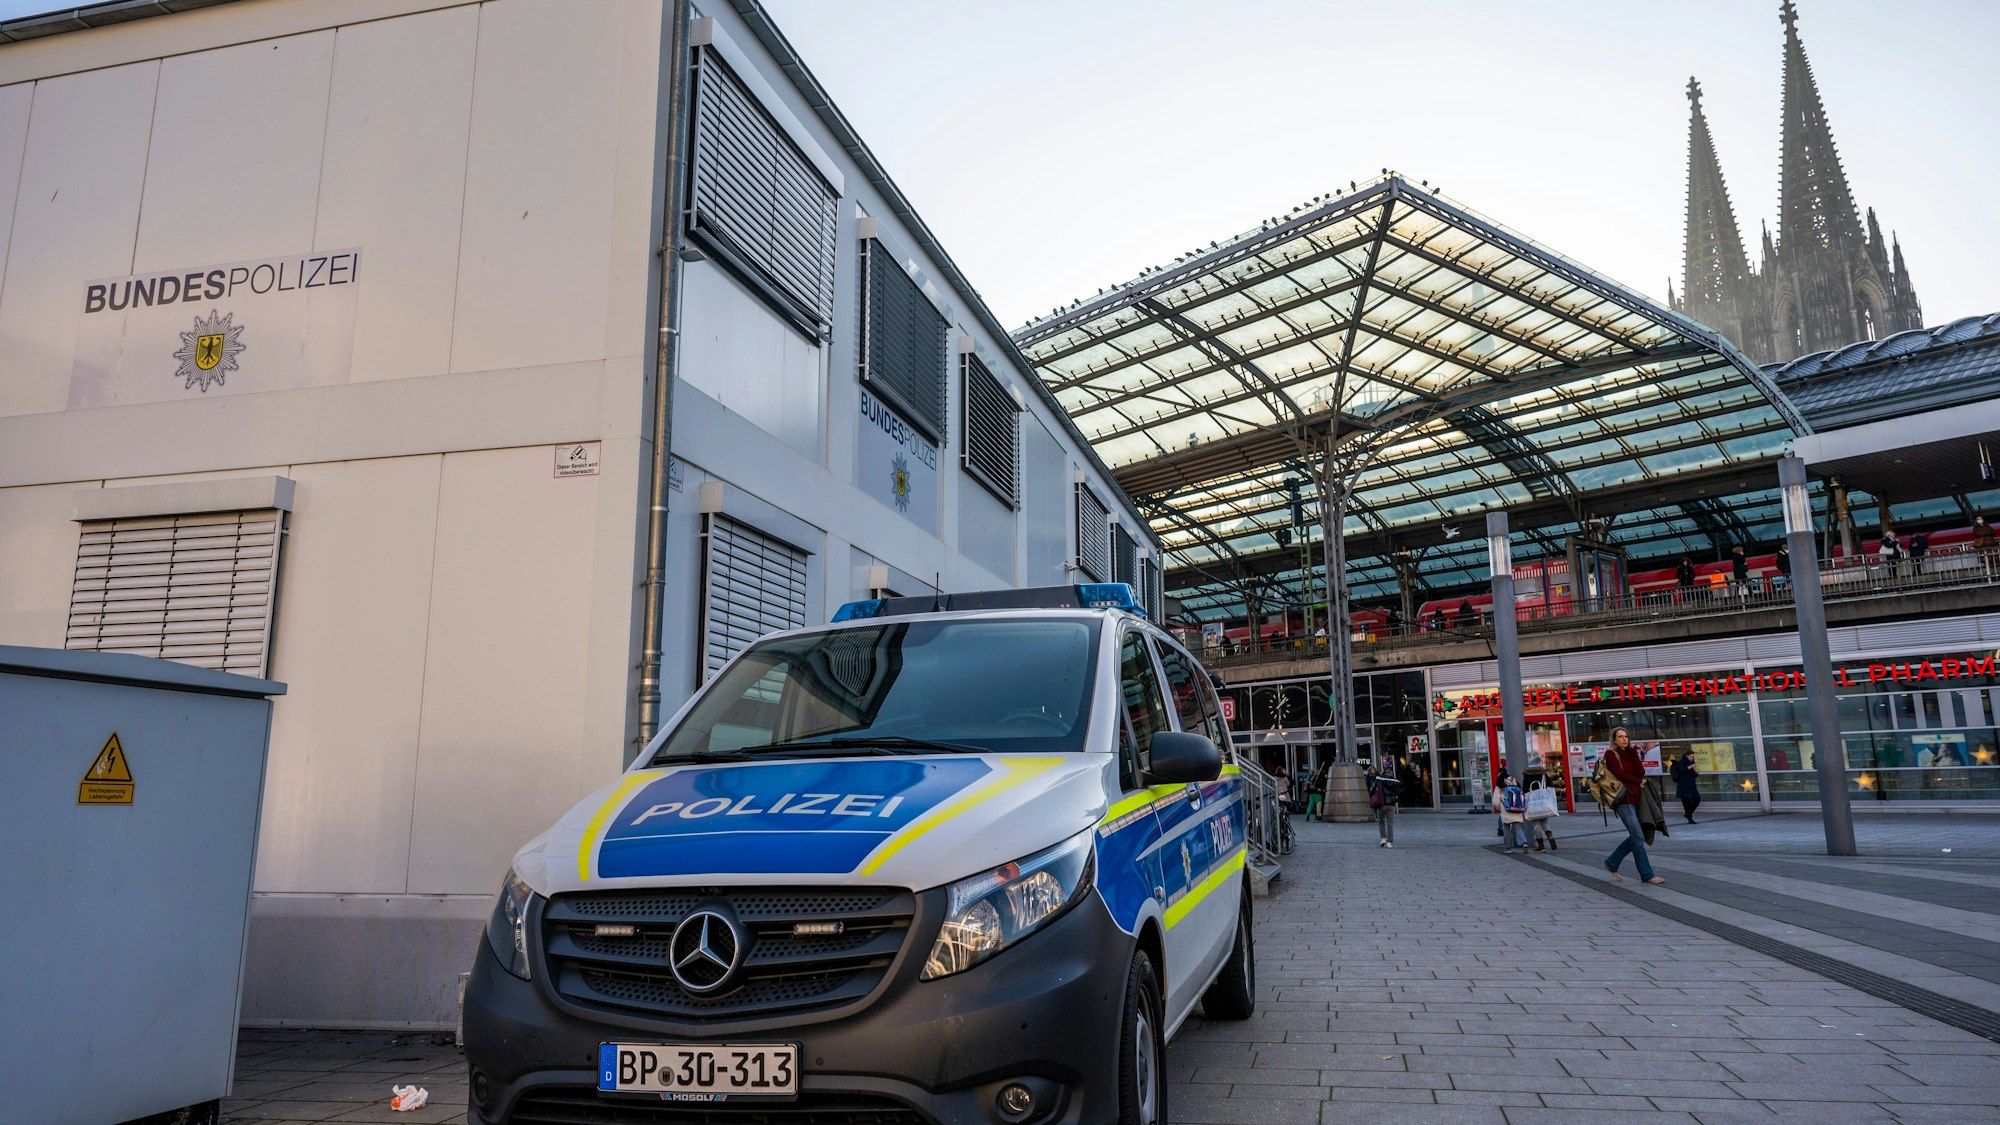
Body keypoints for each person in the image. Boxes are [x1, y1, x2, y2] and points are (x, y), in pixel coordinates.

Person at [1601, 727, 1664, 884]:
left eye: (1626, 736)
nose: (1624, 739)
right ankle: (1647, 875)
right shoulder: (1611, 754)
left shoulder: (1631, 753)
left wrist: (1634, 753)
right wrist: (1637, 780)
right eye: (1620, 737)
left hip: (1637, 800)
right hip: (1623, 801)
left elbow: (1640, 772)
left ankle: (1612, 862)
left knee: (1637, 835)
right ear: (1614, 740)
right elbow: (1620, 775)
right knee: (1638, 836)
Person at [1521, 758, 1558, 852]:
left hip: (1533, 803)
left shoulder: (1527, 775)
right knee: (1544, 823)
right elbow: (1550, 785)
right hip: (1544, 802)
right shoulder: (1543, 774)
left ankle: (1541, 846)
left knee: (1536, 824)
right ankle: (1550, 835)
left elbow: (1525, 789)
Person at [1368, 759, 1401, 847]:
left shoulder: (1379, 780)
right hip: (1391, 805)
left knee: (1381, 821)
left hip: (1381, 803)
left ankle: (1383, 838)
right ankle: (1389, 842)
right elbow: (1398, 792)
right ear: (1391, 773)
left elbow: (1372, 789)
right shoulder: (1395, 781)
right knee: (1390, 823)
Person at [1494, 771, 1529, 852]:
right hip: (1517, 810)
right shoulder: (1515, 784)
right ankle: (1524, 843)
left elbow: (1495, 802)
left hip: (1506, 810)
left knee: (1506, 829)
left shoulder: (1499, 787)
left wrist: (1500, 808)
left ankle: (1508, 848)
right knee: (1518, 828)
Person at [1669, 747, 1701, 823]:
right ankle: (1690, 818)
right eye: (1691, 757)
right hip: (1683, 785)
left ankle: (1688, 814)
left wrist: (1696, 772)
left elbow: (1694, 775)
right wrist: (1690, 767)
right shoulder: (1682, 762)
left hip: (1691, 785)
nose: (1692, 758)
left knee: (1697, 799)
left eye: (1693, 757)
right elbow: (1681, 771)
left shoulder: (1692, 762)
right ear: (1687, 756)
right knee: (1686, 802)